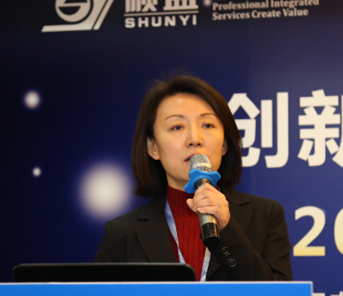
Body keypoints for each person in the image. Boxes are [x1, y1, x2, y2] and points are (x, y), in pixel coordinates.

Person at [94, 74, 292, 281]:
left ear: (224, 144)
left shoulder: (266, 216)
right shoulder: (122, 233)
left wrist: (228, 230)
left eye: (207, 125)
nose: (195, 139)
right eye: (177, 127)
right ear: (153, 147)